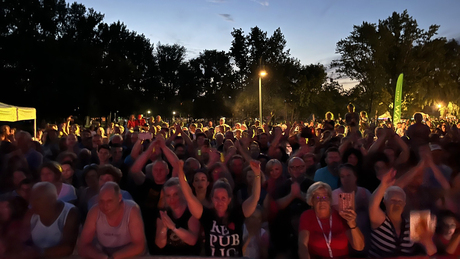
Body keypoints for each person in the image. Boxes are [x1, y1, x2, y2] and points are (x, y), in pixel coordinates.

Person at [178, 159, 261, 257]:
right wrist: (180, 171)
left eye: (223, 198)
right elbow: (189, 197)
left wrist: (257, 174)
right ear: (212, 199)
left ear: (229, 200)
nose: (220, 202)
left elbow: (255, 197)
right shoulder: (207, 215)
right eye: (217, 198)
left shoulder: (237, 214)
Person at [368, 169, 437, 257]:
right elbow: (372, 205)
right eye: (393, 200)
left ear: (404, 204)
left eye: (399, 201)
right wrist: (383, 186)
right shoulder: (380, 221)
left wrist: (428, 242)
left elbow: (432, 253)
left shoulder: (412, 224)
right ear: (385, 202)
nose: (396, 204)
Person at [78, 182, 146, 258]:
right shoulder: (94, 212)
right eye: (101, 201)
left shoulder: (132, 210)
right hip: (103, 251)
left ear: (119, 198)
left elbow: (139, 245)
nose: (105, 205)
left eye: (109, 201)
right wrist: (101, 257)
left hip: (129, 252)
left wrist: (114, 257)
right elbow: (83, 245)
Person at [298, 181, 365, 259]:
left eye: (325, 197)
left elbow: (359, 247)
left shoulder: (339, 214)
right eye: (317, 198)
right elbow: (302, 245)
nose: (322, 201)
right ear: (311, 201)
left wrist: (352, 224)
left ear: (329, 200)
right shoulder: (307, 216)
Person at [24, 182, 79, 258]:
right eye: (32, 198)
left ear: (52, 199)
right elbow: (22, 238)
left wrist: (37, 253)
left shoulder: (70, 213)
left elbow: (68, 248)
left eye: (37, 199)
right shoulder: (31, 213)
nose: (32, 202)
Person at [155, 177, 201, 255]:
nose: (172, 199)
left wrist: (173, 227)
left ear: (182, 194)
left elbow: (192, 240)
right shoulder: (164, 213)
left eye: (175, 194)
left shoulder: (192, 212)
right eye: (168, 196)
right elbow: (159, 244)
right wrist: (163, 228)